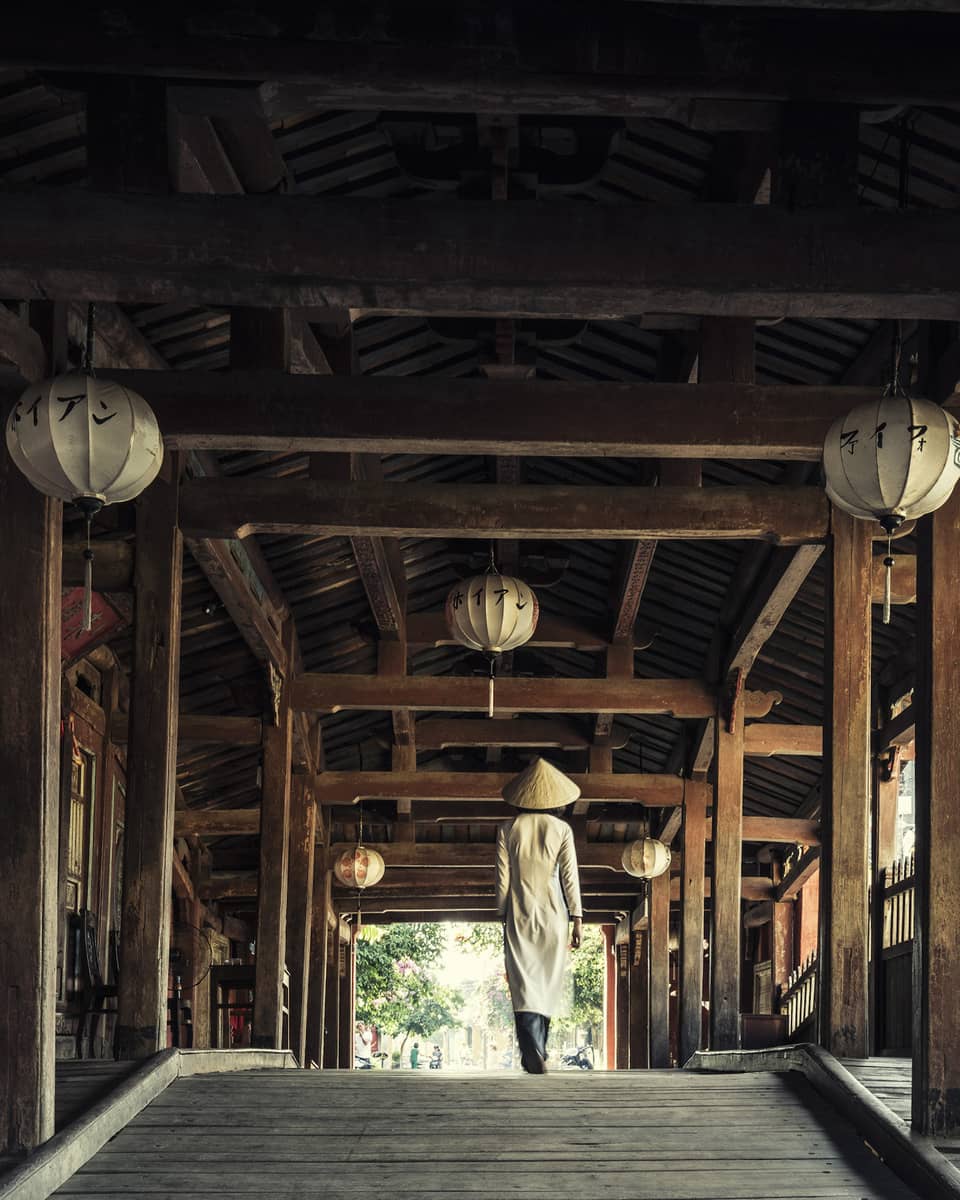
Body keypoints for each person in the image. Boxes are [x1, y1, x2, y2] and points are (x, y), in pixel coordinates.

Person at [496, 757, 583, 1074]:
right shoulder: (562, 829)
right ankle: (539, 1048)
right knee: (547, 981)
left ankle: (532, 1048)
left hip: (519, 913)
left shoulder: (508, 829)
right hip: (554, 914)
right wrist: (577, 918)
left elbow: (503, 879)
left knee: (523, 982)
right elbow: (569, 877)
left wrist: (502, 914)